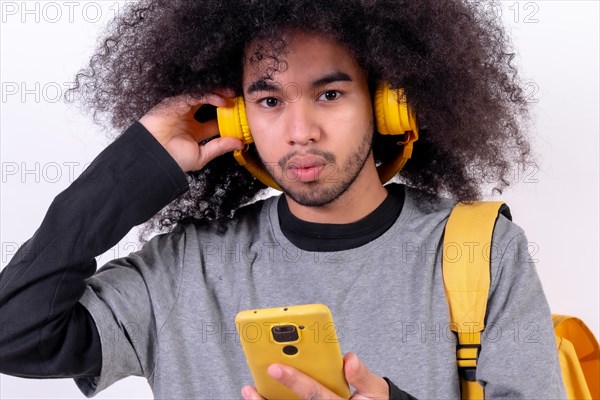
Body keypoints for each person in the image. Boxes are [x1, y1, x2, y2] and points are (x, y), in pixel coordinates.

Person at [0, 0, 567, 399]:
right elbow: (14, 333)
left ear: (388, 103)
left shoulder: (478, 250)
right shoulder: (182, 268)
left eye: (329, 93)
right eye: (269, 101)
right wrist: (138, 161)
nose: (300, 131)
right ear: (239, 119)